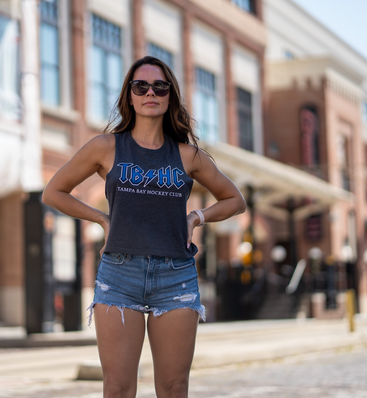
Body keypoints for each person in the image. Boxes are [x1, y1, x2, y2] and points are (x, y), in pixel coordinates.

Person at [42, 56, 246, 398]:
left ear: (170, 97)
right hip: (119, 275)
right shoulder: (105, 147)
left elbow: (234, 200)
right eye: (141, 86)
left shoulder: (188, 155)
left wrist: (197, 217)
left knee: (174, 387)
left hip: (176, 276)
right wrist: (102, 218)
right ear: (130, 96)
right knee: (118, 388)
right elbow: (54, 192)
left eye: (160, 86)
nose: (151, 92)